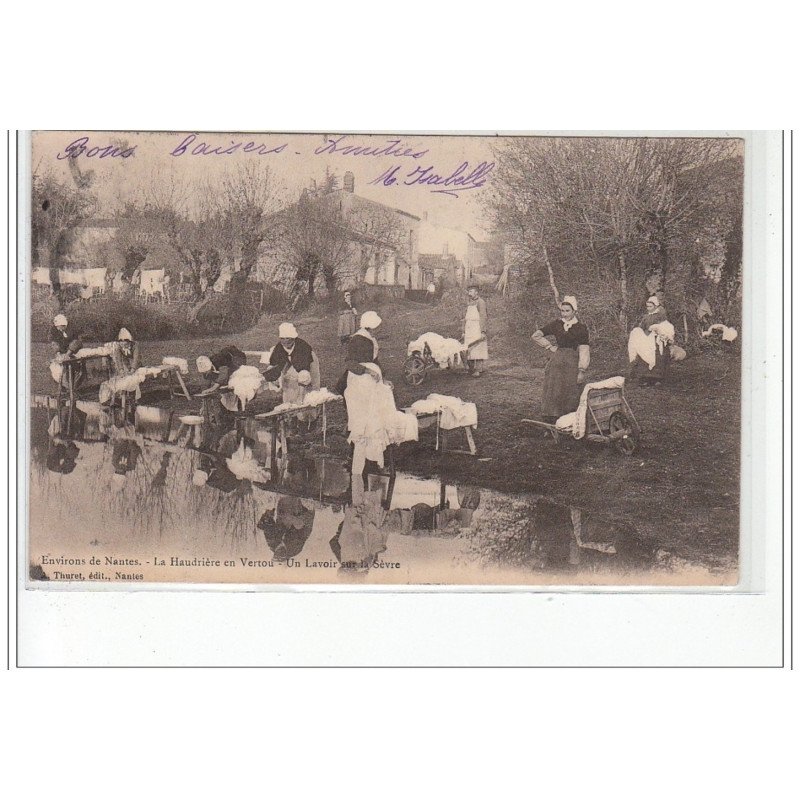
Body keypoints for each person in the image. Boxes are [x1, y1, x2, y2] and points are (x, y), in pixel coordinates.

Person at [531, 296, 590, 424]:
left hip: (572, 363)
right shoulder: (556, 324)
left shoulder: (581, 328)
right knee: (554, 389)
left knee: (571, 390)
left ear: (574, 311)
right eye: (562, 311)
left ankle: (570, 421)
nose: (564, 314)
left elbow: (584, 349)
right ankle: (552, 420)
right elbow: (536, 335)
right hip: (557, 362)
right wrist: (549, 346)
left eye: (567, 311)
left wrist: (582, 370)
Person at [262, 323, 321, 409]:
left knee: (311, 386)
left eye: (288, 338)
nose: (285, 341)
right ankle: (290, 406)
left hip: (309, 362)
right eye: (282, 338)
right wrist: (270, 378)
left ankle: (309, 411)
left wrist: (300, 399)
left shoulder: (302, 347)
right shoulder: (279, 348)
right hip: (289, 362)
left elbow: (304, 373)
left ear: (293, 338)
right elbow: (273, 366)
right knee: (289, 383)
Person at [628, 296, 672, 385]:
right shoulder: (646, 316)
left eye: (650, 307)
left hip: (657, 339)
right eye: (647, 307)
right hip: (647, 338)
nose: (649, 309)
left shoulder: (660, 316)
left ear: (655, 306)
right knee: (644, 355)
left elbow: (665, 326)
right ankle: (646, 378)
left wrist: (658, 330)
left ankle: (657, 379)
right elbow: (642, 326)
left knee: (658, 358)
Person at [336, 311, 382, 395]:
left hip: (371, 376)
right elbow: (350, 363)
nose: (379, 329)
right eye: (377, 327)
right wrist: (368, 371)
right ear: (370, 327)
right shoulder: (357, 340)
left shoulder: (371, 338)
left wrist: (384, 379)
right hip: (359, 376)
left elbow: (374, 359)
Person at [463, 286, 488, 376]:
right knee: (469, 348)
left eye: (471, 291)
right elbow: (465, 318)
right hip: (469, 327)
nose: (469, 293)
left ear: (476, 292)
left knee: (478, 347)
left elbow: (483, 317)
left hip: (477, 327)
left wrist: (483, 331)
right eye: (468, 291)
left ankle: (478, 369)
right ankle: (471, 368)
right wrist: (463, 331)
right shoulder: (469, 303)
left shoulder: (481, 302)